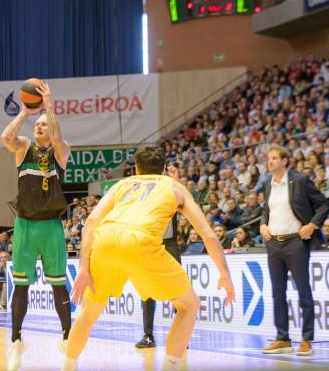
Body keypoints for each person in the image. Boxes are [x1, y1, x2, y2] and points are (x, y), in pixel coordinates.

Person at [63, 146, 234, 371]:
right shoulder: (175, 187)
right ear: (164, 168)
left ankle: (68, 366)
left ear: (136, 168)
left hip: (105, 241)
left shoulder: (122, 184)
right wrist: (225, 274)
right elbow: (208, 235)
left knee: (90, 311)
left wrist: (83, 268)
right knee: (189, 305)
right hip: (140, 242)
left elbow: (92, 222)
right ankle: (171, 366)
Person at [0, 81, 72, 371]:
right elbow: (6, 137)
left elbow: (57, 137)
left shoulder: (61, 150)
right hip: (26, 226)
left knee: (58, 287)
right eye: (37, 125)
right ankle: (16, 341)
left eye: (44, 124)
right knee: (21, 286)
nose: (39, 127)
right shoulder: (24, 148)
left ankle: (68, 339)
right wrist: (28, 113)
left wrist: (49, 107)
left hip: (52, 226)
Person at [259, 144, 329, 356]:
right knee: (277, 294)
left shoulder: (299, 180)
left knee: (303, 292)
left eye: (273, 158)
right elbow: (266, 209)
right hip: (274, 244)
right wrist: (263, 224)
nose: (269, 161)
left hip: (295, 243)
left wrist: (312, 225)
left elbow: (324, 205)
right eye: (268, 158)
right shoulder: (267, 183)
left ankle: (307, 339)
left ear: (284, 161)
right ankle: (282, 338)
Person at [135, 164, 184, 349]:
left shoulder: (169, 186)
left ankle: (181, 335)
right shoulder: (140, 189)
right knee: (147, 291)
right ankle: (148, 336)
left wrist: (175, 179)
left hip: (170, 243)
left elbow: (182, 200)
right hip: (149, 242)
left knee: (178, 288)